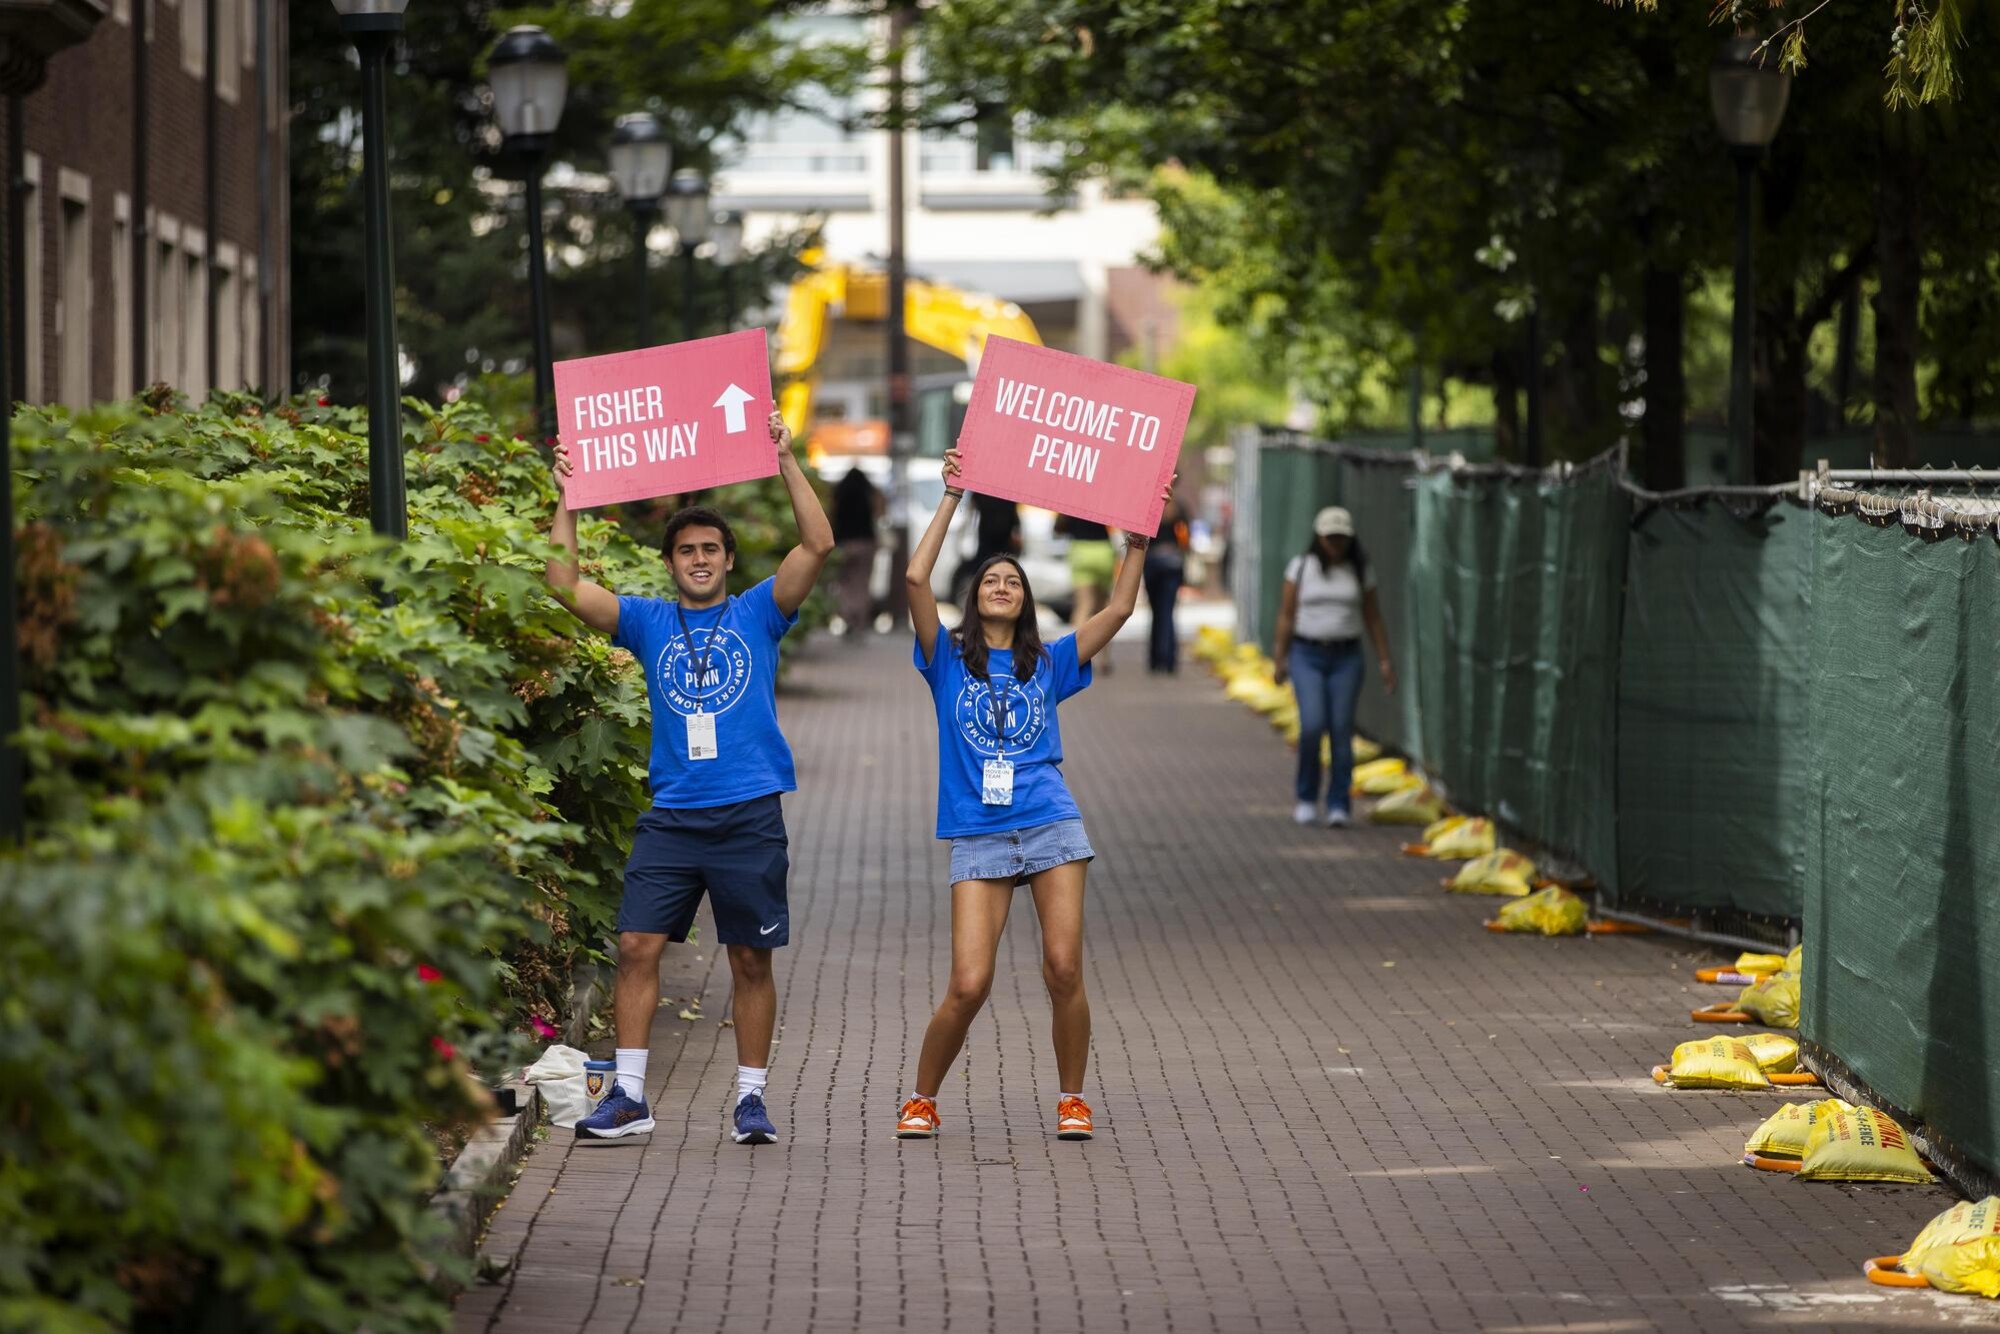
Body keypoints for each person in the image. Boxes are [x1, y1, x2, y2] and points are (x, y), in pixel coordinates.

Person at [545, 411, 834, 1146]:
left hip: (747, 814)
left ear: (728, 560)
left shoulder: (760, 613)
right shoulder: (644, 621)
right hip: (673, 815)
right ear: (669, 563)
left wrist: (785, 459)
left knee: (749, 958)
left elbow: (818, 543)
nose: (699, 559)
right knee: (637, 947)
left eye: (710, 549)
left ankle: (750, 1101)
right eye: (686, 551)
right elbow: (561, 584)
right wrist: (567, 497)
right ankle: (632, 1098)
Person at [894, 451, 1172, 1144]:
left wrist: (1133, 543)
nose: (1001, 585)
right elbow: (913, 576)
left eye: (1011, 580)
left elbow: (1119, 607)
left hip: (1050, 823)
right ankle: (922, 1097)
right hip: (979, 834)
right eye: (990, 578)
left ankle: (1072, 1098)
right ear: (974, 595)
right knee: (968, 982)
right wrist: (953, 496)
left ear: (1024, 600)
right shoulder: (945, 661)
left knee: (1063, 967)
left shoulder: (1050, 663)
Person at [1271, 506, 1395, 828]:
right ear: (1319, 537)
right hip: (1306, 653)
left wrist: (1384, 661)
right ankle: (1307, 796)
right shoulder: (1301, 568)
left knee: (1341, 729)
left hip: (1346, 656)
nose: (1335, 544)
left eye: (1341, 538)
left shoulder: (1359, 570)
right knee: (1312, 725)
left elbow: (1373, 616)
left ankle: (1339, 801)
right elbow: (1286, 614)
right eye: (1330, 538)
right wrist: (1279, 657)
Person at [1057, 512, 1119, 671]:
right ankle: (1104, 659)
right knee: (1104, 609)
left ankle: (1075, 656)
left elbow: (1058, 528)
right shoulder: (1101, 497)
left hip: (1080, 550)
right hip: (1103, 549)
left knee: (1083, 606)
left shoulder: (1071, 500)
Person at [830, 466, 883, 638]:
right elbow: (880, 512)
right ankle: (859, 621)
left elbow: (831, 516)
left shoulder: (839, 494)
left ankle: (847, 616)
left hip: (843, 543)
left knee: (845, 582)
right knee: (862, 583)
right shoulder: (868, 494)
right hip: (865, 542)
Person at [1142, 494, 1187, 673]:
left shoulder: (1150, 505)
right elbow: (1186, 537)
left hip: (1152, 561)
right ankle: (1169, 660)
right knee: (1168, 611)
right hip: (1172, 563)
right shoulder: (1178, 507)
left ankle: (1155, 659)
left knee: (1155, 612)